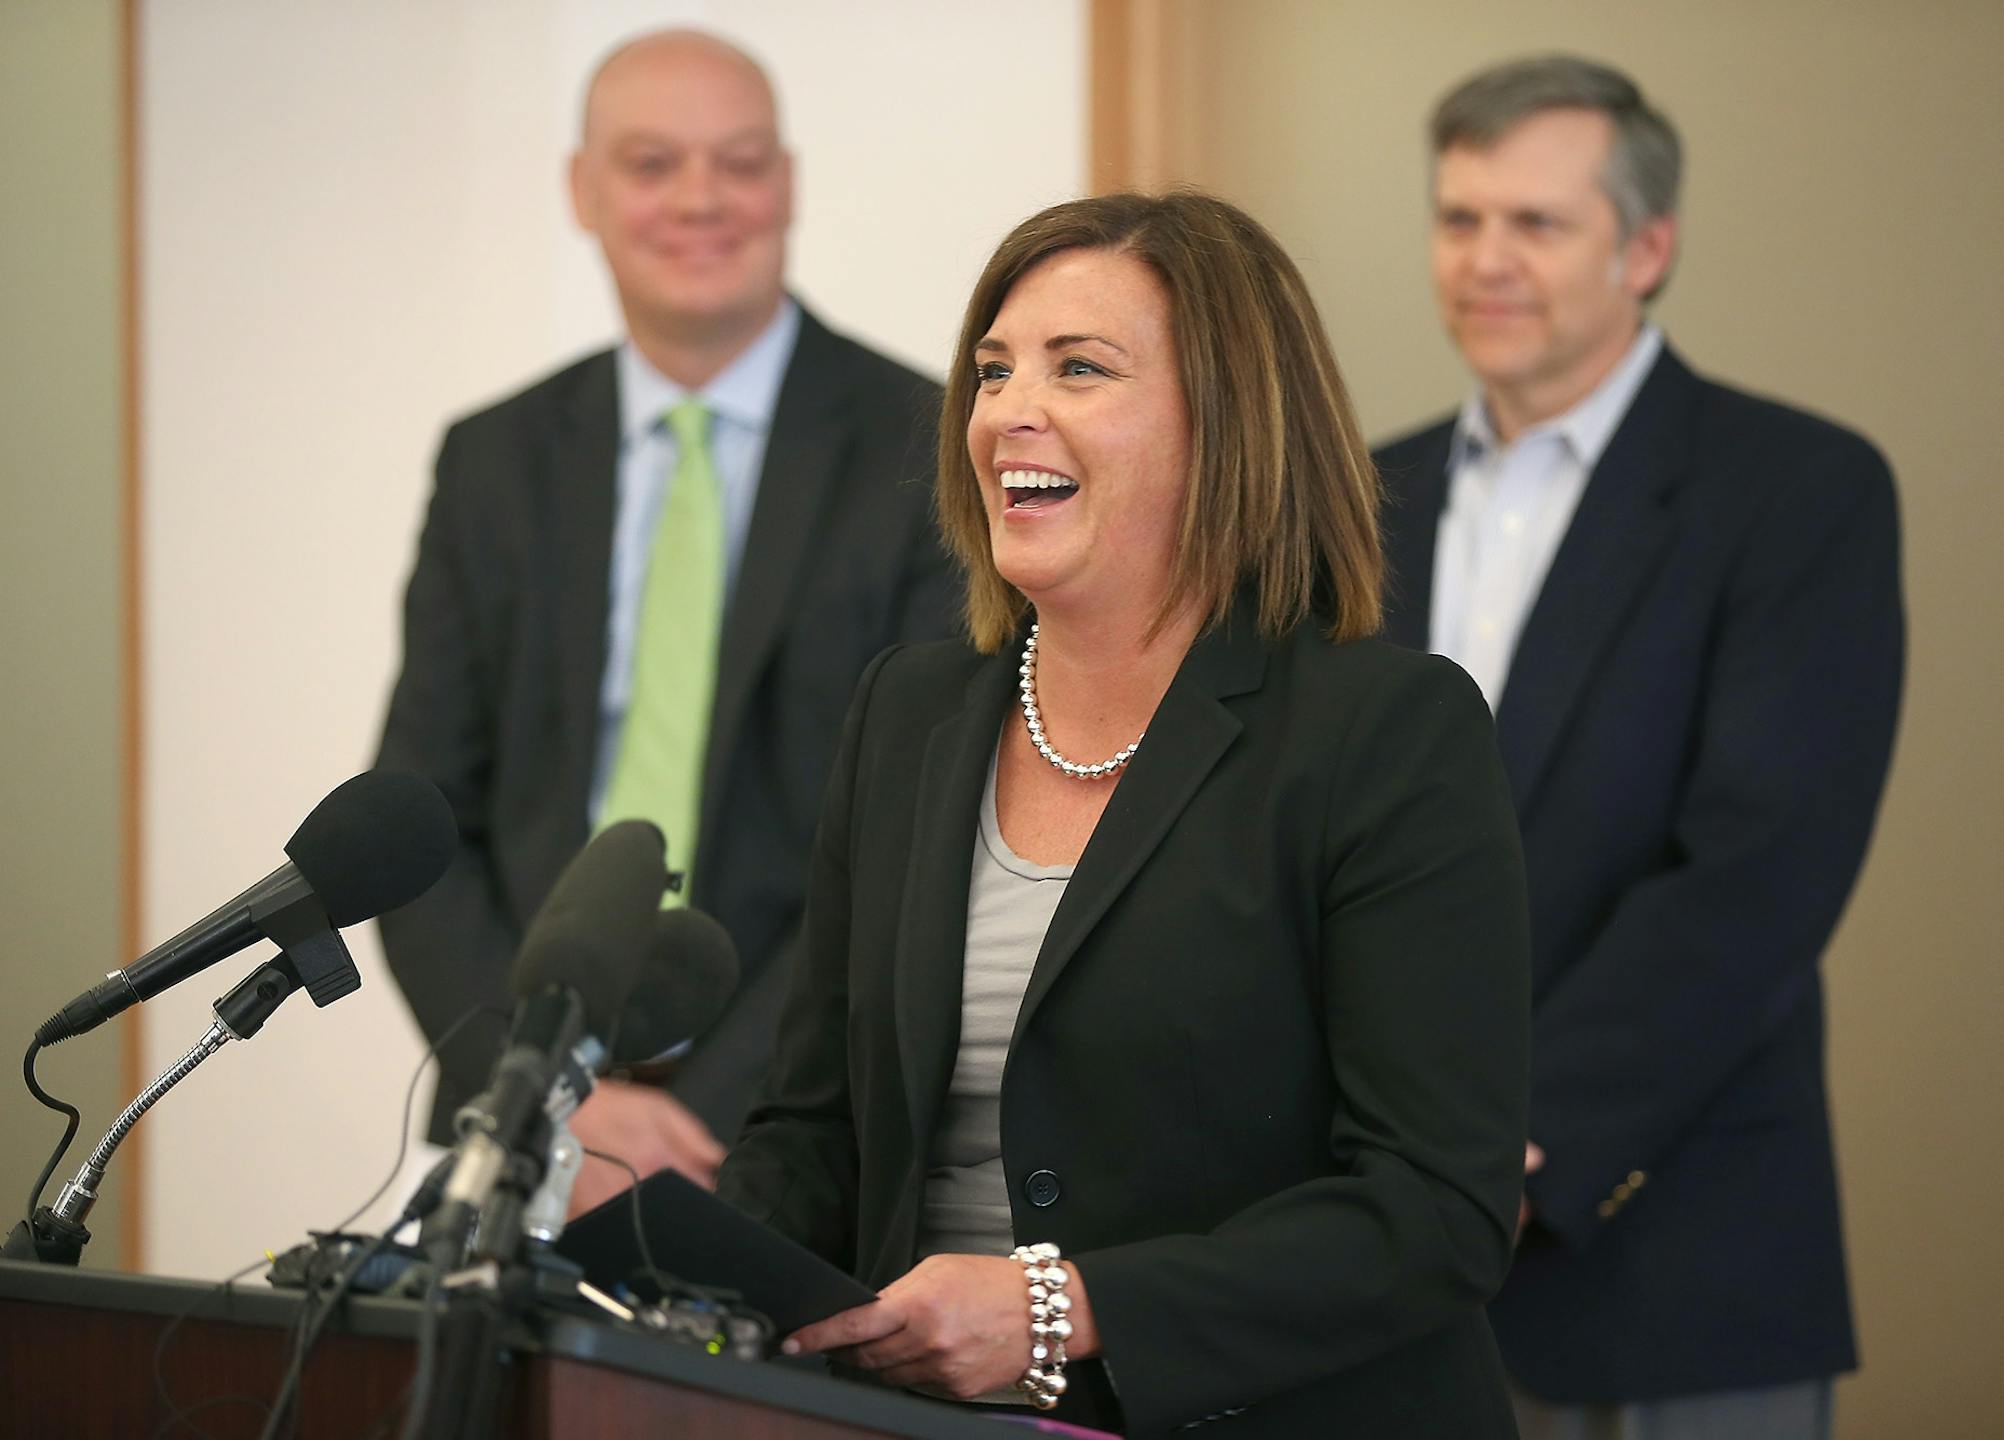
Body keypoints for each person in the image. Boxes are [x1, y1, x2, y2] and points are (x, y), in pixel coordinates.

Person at [710, 191, 1531, 1439]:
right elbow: (818, 1133)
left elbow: (1433, 1209)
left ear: (1227, 424)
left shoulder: (1387, 734)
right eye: (992, 372)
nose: (1007, 413)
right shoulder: (906, 716)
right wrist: (655, 1289)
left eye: (1078, 368)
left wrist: (1061, 1308)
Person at [1373, 56, 1904, 1438]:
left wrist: (1509, 1142)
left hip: (1663, 1237)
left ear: (1647, 246)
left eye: (1535, 224)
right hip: (1363, 1258)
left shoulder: (1797, 491)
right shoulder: (1358, 498)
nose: (1486, 261)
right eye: (1459, 219)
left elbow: (1761, 869)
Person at [376, 29, 957, 1215]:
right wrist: (544, 1092)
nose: (701, 199)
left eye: (739, 163)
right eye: (652, 164)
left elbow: (917, 843)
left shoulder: (928, 450)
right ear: (582, 192)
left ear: (786, 183)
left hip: (802, 1130)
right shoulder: (495, 461)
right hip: (520, 1120)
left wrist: (704, 1118)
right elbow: (420, 822)